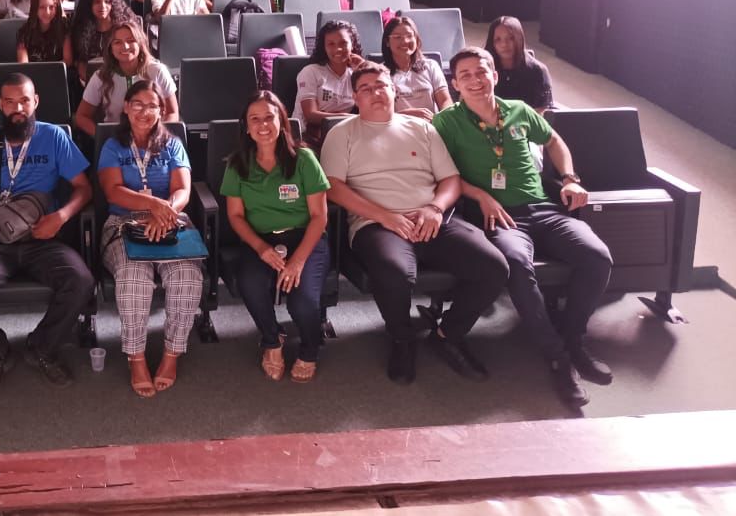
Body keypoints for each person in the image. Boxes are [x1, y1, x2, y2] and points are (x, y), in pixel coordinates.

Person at [433, 48, 613, 408]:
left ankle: (573, 338)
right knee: (516, 264)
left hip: (544, 209)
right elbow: (441, 173)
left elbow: (554, 141)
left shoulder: (519, 110)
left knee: (597, 257)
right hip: (500, 217)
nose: (475, 80)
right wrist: (480, 195)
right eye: (465, 75)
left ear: (494, 76)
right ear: (455, 85)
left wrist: (570, 178)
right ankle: (558, 356)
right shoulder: (447, 122)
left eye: (481, 72)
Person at [322, 62, 509, 384]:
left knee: (494, 267)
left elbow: (450, 179)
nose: (375, 93)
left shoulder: (421, 128)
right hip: (376, 224)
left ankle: (448, 334)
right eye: (365, 88)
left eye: (381, 85)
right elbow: (333, 187)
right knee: (394, 274)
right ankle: (402, 337)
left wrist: (435, 208)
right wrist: (385, 216)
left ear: (394, 90)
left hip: (432, 216)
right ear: (355, 97)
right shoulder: (342, 133)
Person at [0, 73, 95, 392]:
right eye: (10, 102)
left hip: (43, 240)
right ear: (0, 105)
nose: (18, 108)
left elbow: (84, 189)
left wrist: (61, 216)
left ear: (36, 102)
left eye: (24, 101)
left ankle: (43, 346)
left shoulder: (54, 136)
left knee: (81, 281)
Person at [97, 81, 201, 396]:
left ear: (161, 110)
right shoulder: (113, 147)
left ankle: (172, 354)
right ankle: (136, 357)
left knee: (187, 276)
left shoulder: (172, 144)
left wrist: (164, 212)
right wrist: (154, 205)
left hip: (170, 220)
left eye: (152, 105)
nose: (145, 111)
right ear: (126, 108)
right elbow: (113, 192)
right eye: (138, 105)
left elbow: (182, 190)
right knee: (133, 278)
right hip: (124, 222)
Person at [222, 92, 332, 382]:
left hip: (306, 239)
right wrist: (260, 248)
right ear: (246, 127)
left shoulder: (304, 159)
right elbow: (235, 216)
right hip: (260, 240)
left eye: (269, 117)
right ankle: (272, 340)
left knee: (302, 302)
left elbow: (319, 217)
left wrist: (297, 261)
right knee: (250, 284)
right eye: (254, 119)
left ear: (282, 122)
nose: (262, 125)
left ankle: (310, 349)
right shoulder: (237, 164)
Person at [74, 21, 179, 139]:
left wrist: (156, 136)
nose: (125, 46)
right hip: (115, 139)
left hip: (153, 138)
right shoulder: (100, 77)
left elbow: (172, 113)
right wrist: (105, 138)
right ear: (110, 48)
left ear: (140, 43)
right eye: (117, 42)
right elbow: (81, 117)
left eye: (131, 41)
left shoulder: (158, 71)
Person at [294, 19, 365, 137]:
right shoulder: (310, 72)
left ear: (352, 44)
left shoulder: (356, 74)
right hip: (306, 136)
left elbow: (371, 106)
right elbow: (310, 115)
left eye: (343, 43)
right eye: (331, 44)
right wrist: (347, 118)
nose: (337, 49)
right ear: (324, 47)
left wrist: (364, 67)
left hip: (342, 134)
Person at [382, 15, 451, 120]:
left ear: (416, 39)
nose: (405, 41)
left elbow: (445, 100)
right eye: (397, 37)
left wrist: (443, 119)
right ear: (387, 42)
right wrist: (406, 115)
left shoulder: (431, 66)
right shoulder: (380, 73)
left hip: (431, 124)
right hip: (398, 126)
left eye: (409, 36)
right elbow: (378, 114)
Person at [66, 0, 134, 86]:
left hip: (120, 78)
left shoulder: (124, 28)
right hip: (88, 81)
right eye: (97, 2)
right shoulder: (79, 28)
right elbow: (78, 61)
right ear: (89, 5)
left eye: (107, 2)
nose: (102, 6)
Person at [485, 16, 555, 113]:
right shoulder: (484, 69)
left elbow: (541, 111)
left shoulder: (537, 71)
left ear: (520, 39)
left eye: (511, 38)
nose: (504, 44)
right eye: (498, 39)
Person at [16, 0, 70, 64]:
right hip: (32, 71)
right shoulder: (24, 32)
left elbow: (68, 61)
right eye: (42, 7)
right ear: (35, 8)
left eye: (51, 7)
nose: (47, 12)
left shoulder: (64, 27)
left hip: (57, 71)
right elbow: (23, 64)